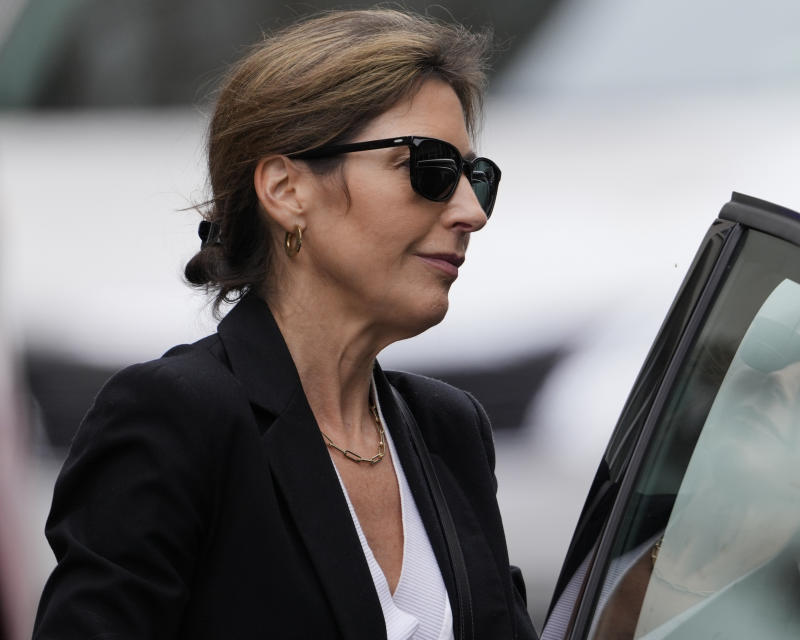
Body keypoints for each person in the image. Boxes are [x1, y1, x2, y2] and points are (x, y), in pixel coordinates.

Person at [33, 10, 537, 640]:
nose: (470, 212)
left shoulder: (450, 430)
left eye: (477, 177)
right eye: (429, 168)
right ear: (285, 188)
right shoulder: (177, 417)